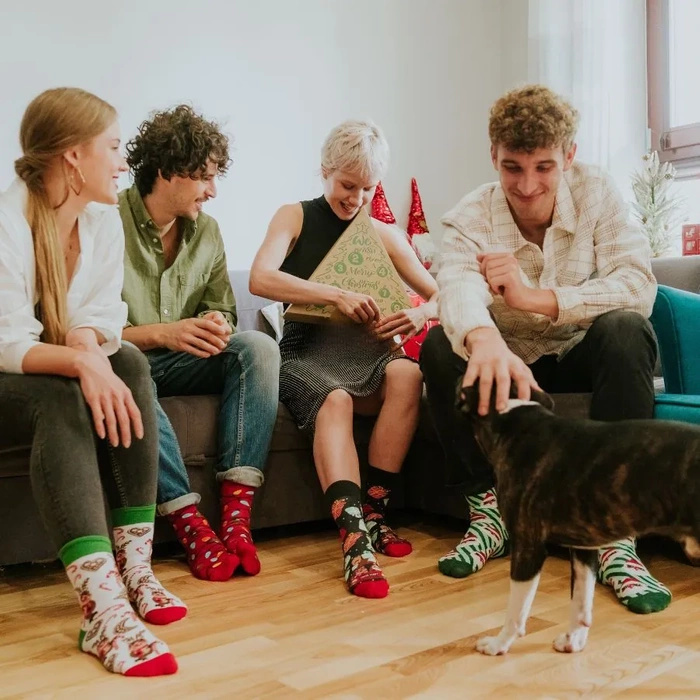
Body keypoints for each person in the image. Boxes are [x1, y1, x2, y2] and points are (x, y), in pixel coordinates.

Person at [420, 84, 667, 614]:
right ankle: (489, 513)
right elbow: (458, 287)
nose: (527, 186)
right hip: (505, 365)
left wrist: (539, 299)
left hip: (574, 353)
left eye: (544, 168)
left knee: (626, 328)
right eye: (512, 168)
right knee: (441, 346)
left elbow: (637, 284)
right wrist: (483, 337)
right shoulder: (469, 216)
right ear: (493, 158)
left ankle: (614, 535)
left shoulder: (596, 192)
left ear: (569, 157)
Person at [0, 88, 183, 676]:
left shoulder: (103, 221)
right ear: (74, 156)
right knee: (61, 391)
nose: (124, 160)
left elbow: (103, 318)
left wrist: (90, 351)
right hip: (9, 375)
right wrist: (81, 364)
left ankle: (135, 568)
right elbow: (6, 341)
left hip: (52, 358)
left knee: (126, 359)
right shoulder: (6, 222)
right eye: (113, 146)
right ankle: (101, 609)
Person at [249, 120, 438, 598]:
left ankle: (376, 514)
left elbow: (442, 294)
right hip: (307, 353)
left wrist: (421, 316)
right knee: (333, 399)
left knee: (408, 373)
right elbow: (260, 278)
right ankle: (355, 543)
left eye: (367, 188)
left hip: (369, 355)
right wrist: (335, 294)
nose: (354, 198)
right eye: (346, 185)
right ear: (325, 171)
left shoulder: (385, 234)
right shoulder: (293, 216)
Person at [119, 105, 280, 582]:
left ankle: (235, 521)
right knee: (124, 361)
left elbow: (226, 311)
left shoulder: (206, 231)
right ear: (169, 172)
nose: (212, 190)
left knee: (258, 347)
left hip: (184, 361)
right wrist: (163, 333)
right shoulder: (105, 223)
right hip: (128, 364)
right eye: (205, 177)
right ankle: (189, 525)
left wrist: (216, 320)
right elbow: (88, 331)